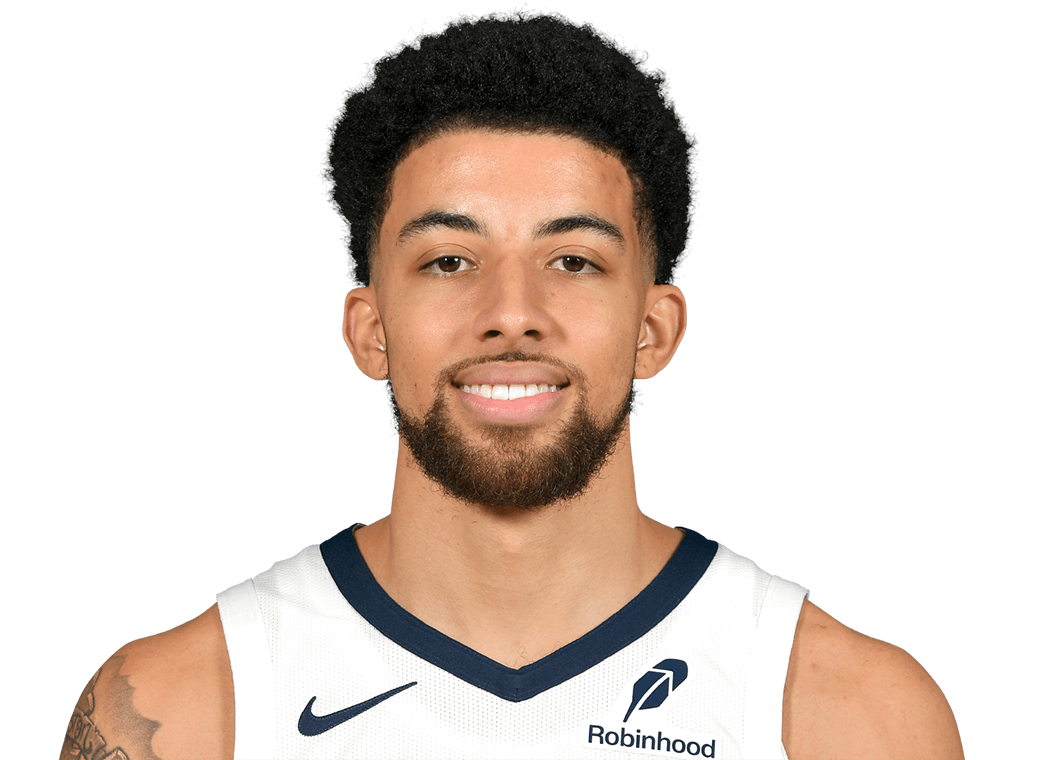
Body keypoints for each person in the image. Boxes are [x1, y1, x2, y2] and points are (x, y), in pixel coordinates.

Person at [61, 10, 963, 759]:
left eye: (572, 260)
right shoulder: (179, 709)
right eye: (449, 260)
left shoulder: (852, 716)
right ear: (370, 330)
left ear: (654, 330)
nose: (512, 313)